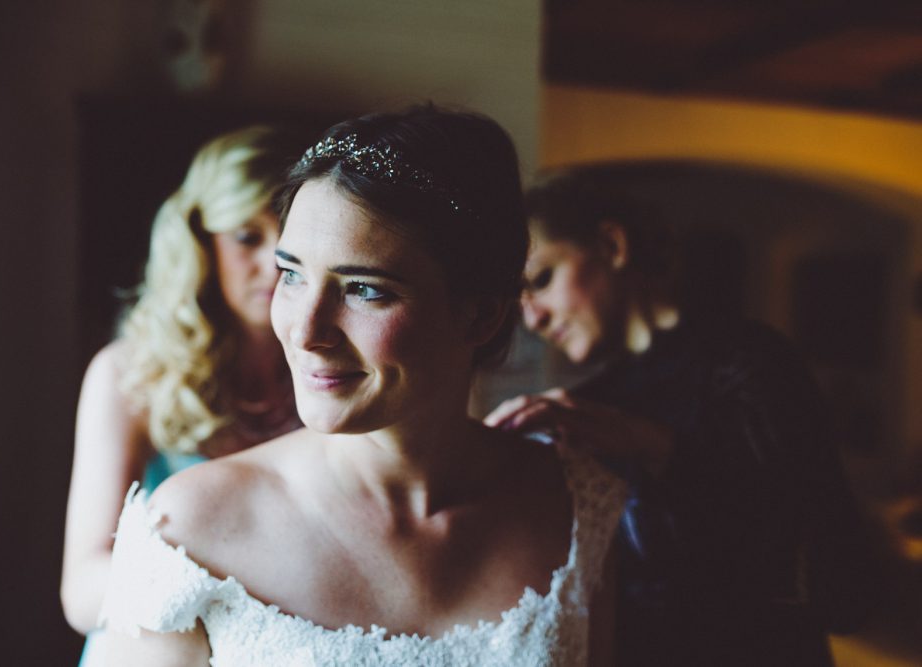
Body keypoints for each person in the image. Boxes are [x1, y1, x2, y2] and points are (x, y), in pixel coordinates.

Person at [98, 105, 627, 666]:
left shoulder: (574, 507)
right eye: (291, 274)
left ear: (480, 315)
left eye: (364, 290)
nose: (305, 332)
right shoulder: (190, 530)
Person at [485, 169, 877, 666]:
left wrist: (650, 442)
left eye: (542, 280)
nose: (533, 319)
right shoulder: (585, 405)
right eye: (520, 302)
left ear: (612, 244)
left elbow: (806, 540)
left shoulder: (750, 361)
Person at [61, 125, 306, 666]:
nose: (274, 260)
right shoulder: (130, 375)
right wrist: (227, 582)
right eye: (247, 236)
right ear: (200, 242)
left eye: (290, 237)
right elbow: (81, 591)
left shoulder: (336, 376)